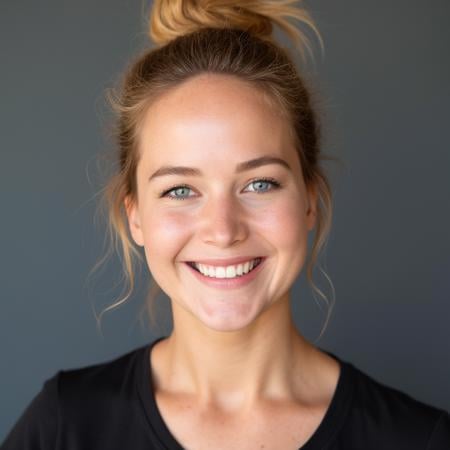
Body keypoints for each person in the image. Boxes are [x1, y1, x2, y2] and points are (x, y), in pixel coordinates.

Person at [2, 1, 449, 449]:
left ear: (309, 199)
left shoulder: (417, 439)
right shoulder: (63, 426)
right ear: (135, 215)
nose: (223, 229)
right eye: (180, 190)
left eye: (259, 183)